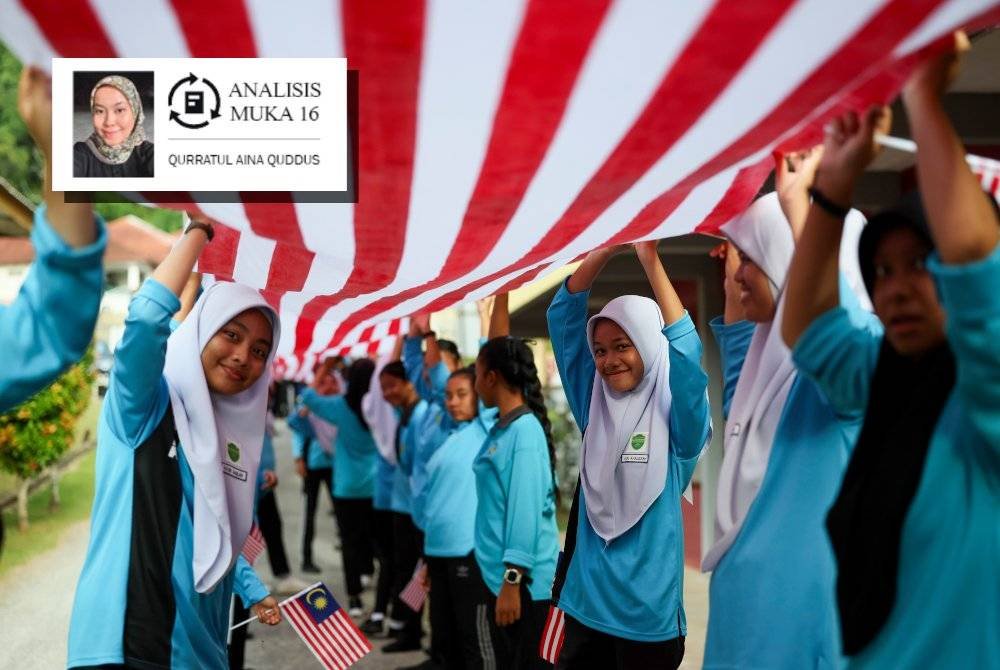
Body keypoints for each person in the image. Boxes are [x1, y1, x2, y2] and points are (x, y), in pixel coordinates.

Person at [782, 34, 999, 669]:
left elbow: (976, 263)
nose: (895, 288)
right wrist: (831, 189)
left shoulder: (985, 395)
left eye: (918, 265)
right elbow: (810, 331)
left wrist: (924, 100)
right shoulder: (889, 376)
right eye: (881, 272)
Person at [67, 217, 282, 669]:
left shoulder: (228, 441)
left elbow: (214, 538)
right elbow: (147, 319)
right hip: (129, 649)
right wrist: (199, 231)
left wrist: (253, 589)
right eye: (231, 333)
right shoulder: (143, 407)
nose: (244, 356)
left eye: (261, 350)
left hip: (200, 653)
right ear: (202, 331)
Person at [699, 177, 879, 669]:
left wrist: (803, 208)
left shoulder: (849, 372)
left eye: (752, 259)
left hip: (804, 640)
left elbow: (833, 323)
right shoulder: (764, 378)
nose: (738, 276)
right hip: (744, 636)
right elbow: (742, 343)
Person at [545, 241, 711, 669]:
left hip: (646, 624)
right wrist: (603, 250)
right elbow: (561, 317)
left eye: (623, 345)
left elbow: (688, 354)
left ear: (648, 344)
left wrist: (649, 259)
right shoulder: (592, 405)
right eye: (599, 350)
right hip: (585, 610)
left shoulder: (677, 423)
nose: (608, 360)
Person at [473, 330, 560, 669]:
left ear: (492, 377)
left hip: (523, 587)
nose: (476, 383)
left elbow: (524, 513)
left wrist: (512, 581)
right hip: (504, 580)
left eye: (478, 374)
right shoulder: (504, 427)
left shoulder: (523, 433)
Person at [300, 358, 380, 618]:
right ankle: (373, 583)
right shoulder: (379, 408)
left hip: (345, 485)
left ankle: (354, 597)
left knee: (348, 541)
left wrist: (324, 366)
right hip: (375, 486)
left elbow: (308, 397)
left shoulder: (340, 407)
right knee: (372, 538)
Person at [378, 359, 431, 652]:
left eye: (391, 386)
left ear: (408, 380)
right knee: (405, 568)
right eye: (383, 389)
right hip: (404, 504)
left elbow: (413, 462)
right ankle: (407, 629)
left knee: (415, 571)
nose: (387, 393)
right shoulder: (405, 412)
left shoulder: (421, 412)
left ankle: (411, 631)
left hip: (417, 508)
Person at [360, 348, 403, 637]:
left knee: (397, 562)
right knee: (398, 561)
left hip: (393, 497)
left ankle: (393, 618)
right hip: (397, 500)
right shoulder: (392, 408)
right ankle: (398, 620)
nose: (387, 391)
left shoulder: (372, 405)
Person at [287, 361, 339, 574]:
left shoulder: (338, 404)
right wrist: (299, 458)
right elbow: (297, 429)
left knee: (341, 511)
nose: (328, 384)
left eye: (331, 380)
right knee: (309, 512)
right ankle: (306, 558)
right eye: (323, 380)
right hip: (313, 465)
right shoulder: (308, 405)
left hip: (336, 465)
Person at [74, 74, 154, 178]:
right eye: (99, 111)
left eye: (120, 110)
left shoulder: (149, 154)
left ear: (135, 112)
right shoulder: (80, 155)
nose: (109, 122)